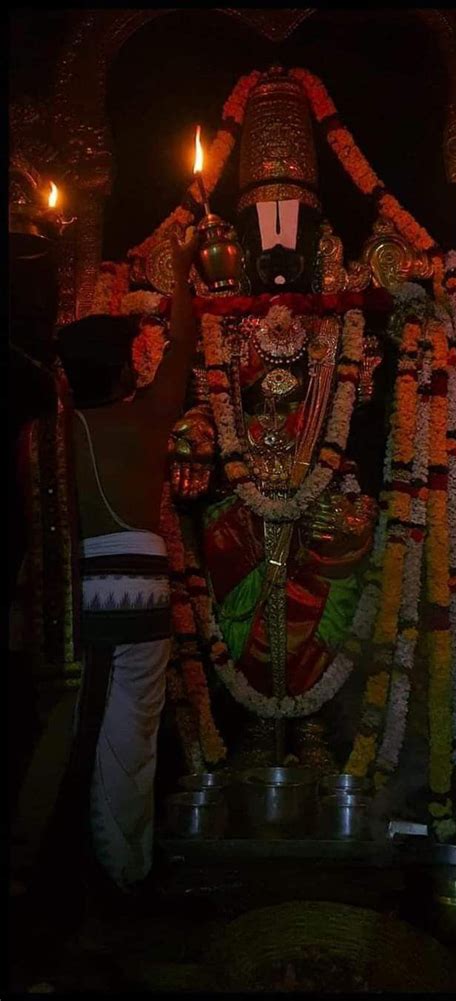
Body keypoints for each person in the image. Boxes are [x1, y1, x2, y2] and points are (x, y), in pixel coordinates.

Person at [12, 228, 199, 911]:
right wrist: (183, 271)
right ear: (123, 372)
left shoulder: (45, 435)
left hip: (77, 599)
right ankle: (123, 869)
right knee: (131, 738)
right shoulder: (148, 419)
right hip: (143, 593)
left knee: (69, 727)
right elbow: (183, 345)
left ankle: (53, 869)